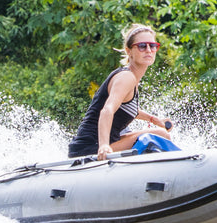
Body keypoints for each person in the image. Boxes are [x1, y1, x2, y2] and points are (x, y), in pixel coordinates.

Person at [67, 24, 176, 160]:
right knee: (161, 134)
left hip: (100, 144)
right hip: (89, 149)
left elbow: (127, 108)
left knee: (159, 132)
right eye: (142, 46)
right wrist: (104, 146)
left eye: (152, 46)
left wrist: (154, 119)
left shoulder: (133, 78)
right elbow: (107, 109)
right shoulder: (126, 77)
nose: (148, 50)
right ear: (129, 51)